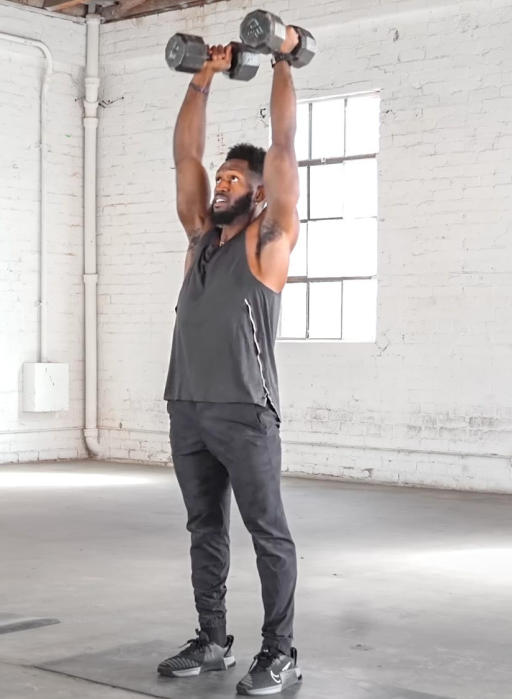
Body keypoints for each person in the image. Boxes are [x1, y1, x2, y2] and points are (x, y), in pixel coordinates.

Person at [158, 30, 306, 696]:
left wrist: (281, 58)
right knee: (203, 527)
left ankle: (281, 651)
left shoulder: (268, 241)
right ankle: (213, 638)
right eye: (220, 180)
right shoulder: (200, 238)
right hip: (187, 404)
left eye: (234, 181)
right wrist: (204, 77)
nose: (220, 186)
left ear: (259, 194)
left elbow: (282, 147)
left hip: (246, 412)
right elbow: (185, 152)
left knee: (267, 533)